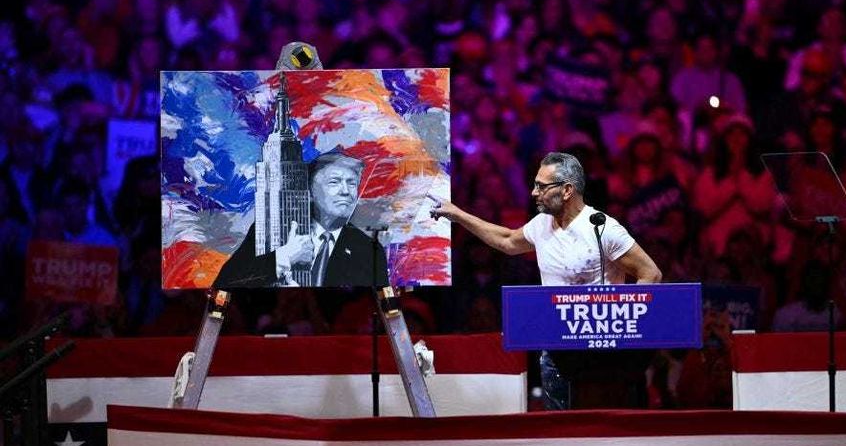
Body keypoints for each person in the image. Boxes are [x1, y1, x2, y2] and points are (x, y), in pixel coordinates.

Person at [431, 152, 662, 409]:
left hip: (601, 353)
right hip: (554, 349)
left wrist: (629, 327)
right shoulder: (542, 224)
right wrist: (457, 214)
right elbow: (507, 240)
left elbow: (650, 273)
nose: (533, 192)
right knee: (560, 432)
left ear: (567, 190)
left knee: (598, 428)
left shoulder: (603, 228)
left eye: (541, 186)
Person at [214, 152, 388, 288]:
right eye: (334, 182)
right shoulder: (271, 230)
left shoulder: (369, 251)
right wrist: (283, 257)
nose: (346, 191)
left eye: (351, 183)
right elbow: (225, 284)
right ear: (310, 193)